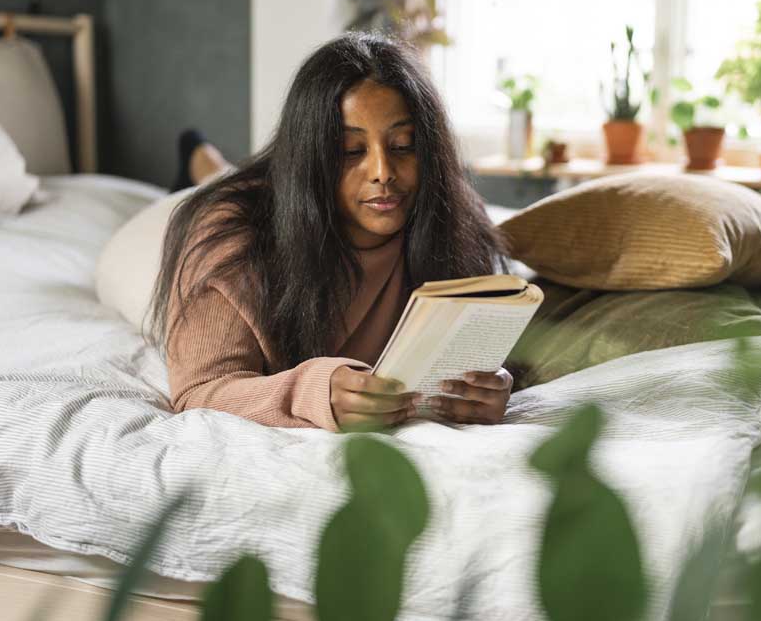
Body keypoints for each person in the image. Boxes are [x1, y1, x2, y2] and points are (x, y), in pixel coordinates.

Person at [146, 32, 515, 432]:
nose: (383, 172)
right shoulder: (228, 236)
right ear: (312, 158)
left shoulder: (453, 213)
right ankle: (201, 160)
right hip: (149, 246)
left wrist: (492, 387)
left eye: (404, 145)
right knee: (217, 182)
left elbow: (480, 355)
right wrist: (310, 391)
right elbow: (197, 389)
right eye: (351, 152)